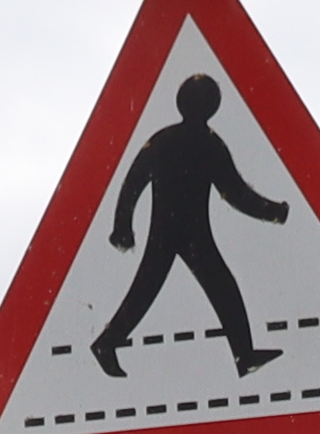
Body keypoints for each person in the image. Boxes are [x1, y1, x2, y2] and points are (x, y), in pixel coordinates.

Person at [90, 74, 290, 382]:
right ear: (213, 105)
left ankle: (244, 355)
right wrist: (274, 212)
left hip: (182, 231)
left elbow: (133, 184)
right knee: (160, 289)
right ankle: (106, 343)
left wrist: (123, 226)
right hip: (183, 232)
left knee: (200, 287)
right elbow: (235, 193)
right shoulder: (209, 144)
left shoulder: (163, 140)